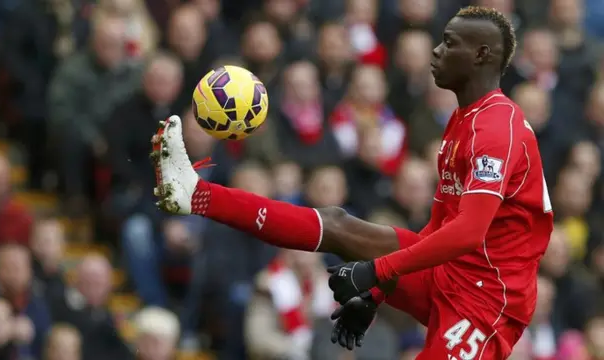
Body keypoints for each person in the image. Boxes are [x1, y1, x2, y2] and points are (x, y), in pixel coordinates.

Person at [151, 6, 553, 360]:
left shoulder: (498, 127)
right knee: (339, 223)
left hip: (487, 301)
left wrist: (376, 271)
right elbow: (442, 227)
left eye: (449, 43)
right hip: (452, 272)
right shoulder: (463, 119)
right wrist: (375, 294)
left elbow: (468, 232)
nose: (436, 50)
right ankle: (196, 194)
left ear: (482, 55)